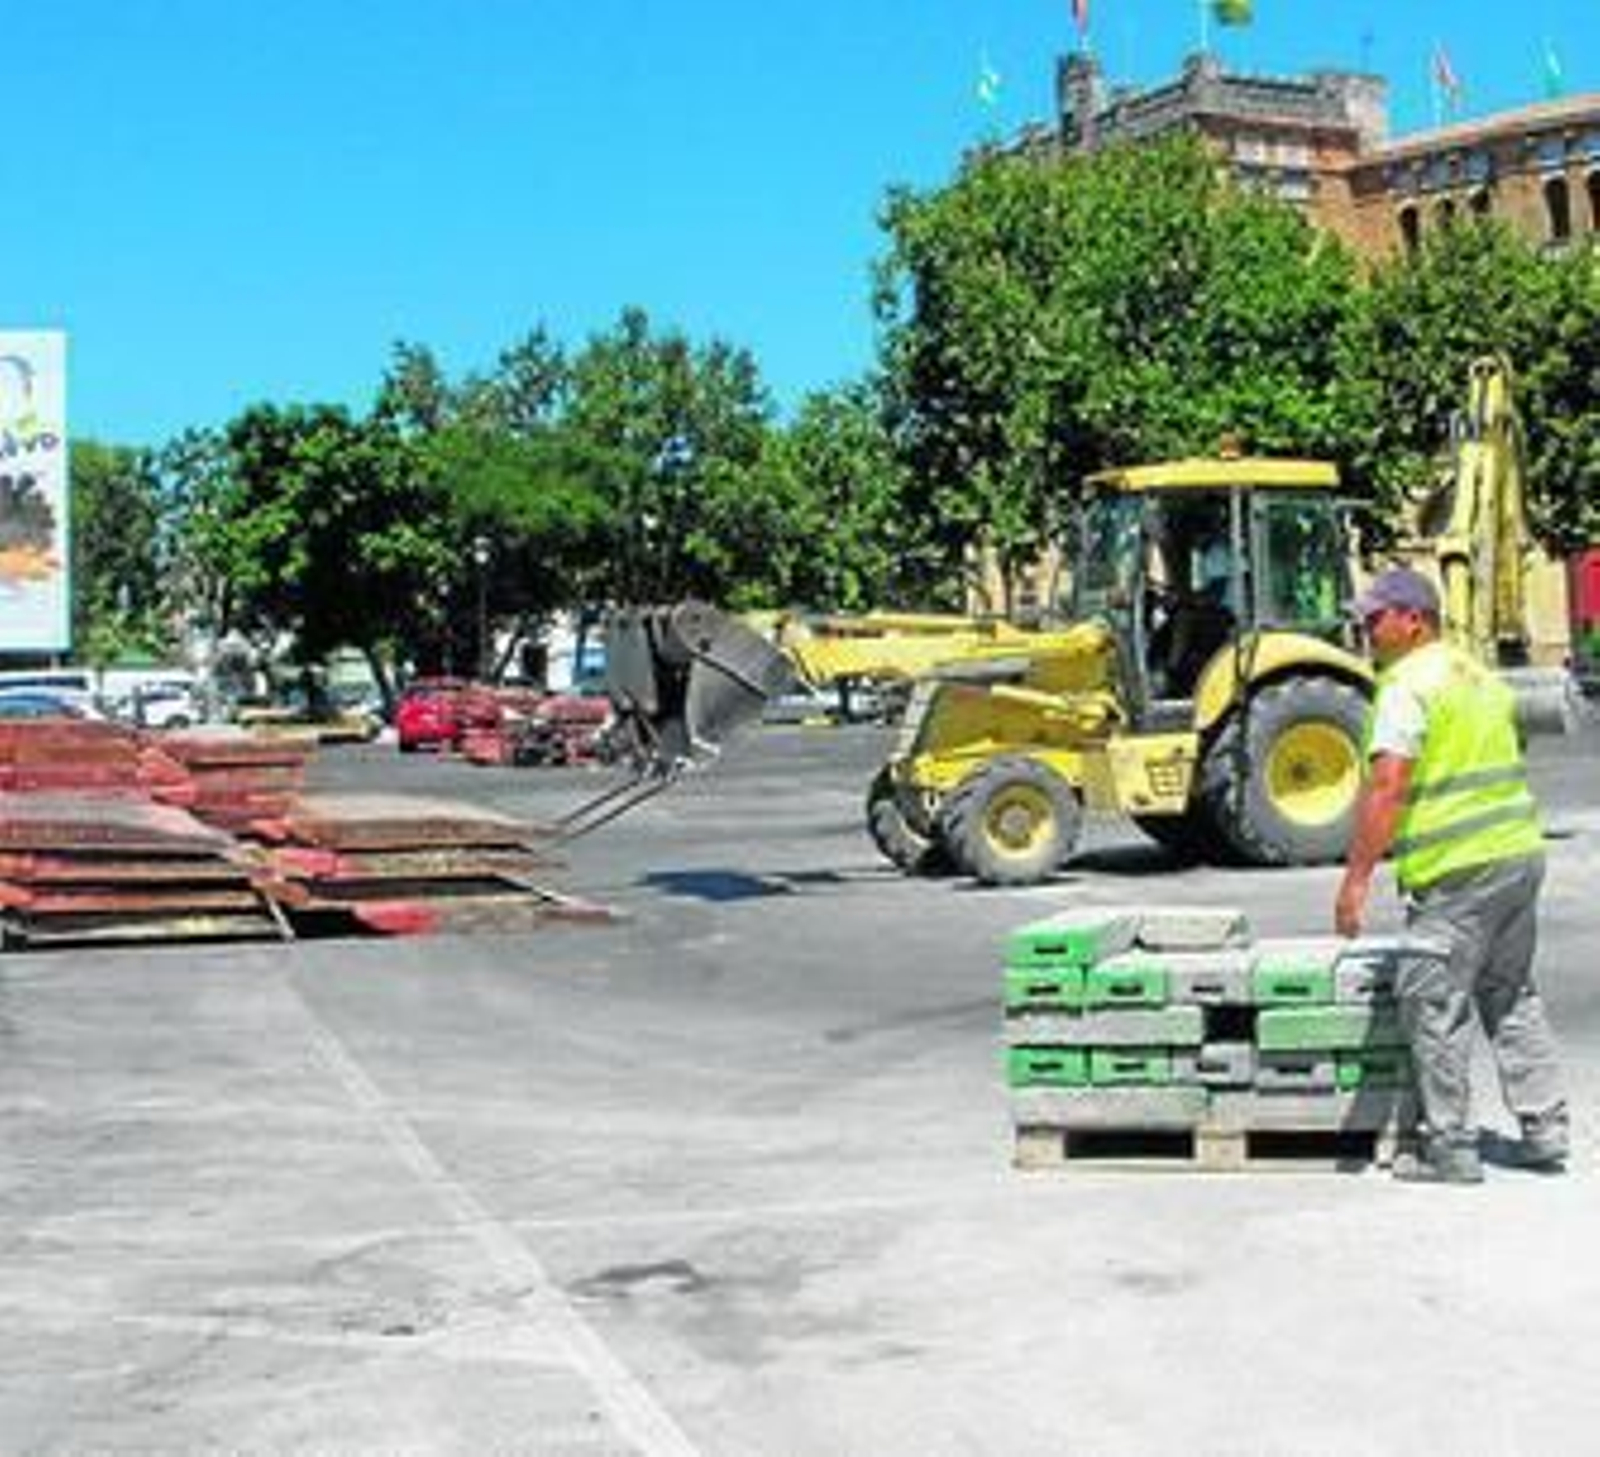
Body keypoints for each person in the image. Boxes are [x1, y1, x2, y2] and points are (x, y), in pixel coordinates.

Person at [1334, 565, 1568, 1184]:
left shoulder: (1406, 685)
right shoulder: (1479, 676)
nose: (1365, 628)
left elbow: (1388, 786)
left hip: (1458, 866)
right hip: (1517, 852)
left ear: (1414, 620)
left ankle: (1450, 1148)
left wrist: (1356, 880)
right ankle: (1546, 1129)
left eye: (1375, 618)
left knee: (1432, 1000)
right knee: (1509, 991)